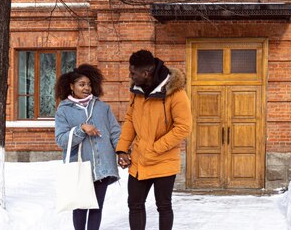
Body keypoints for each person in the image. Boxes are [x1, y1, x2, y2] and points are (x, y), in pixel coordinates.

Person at [116, 50, 192, 230]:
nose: (130, 76)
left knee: (163, 206)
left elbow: (183, 128)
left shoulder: (176, 93)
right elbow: (130, 121)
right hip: (140, 161)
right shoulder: (136, 91)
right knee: (134, 204)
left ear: (146, 73)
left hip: (164, 160)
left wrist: (155, 148)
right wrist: (122, 149)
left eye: (133, 73)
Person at [55, 64, 121, 230]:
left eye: (89, 84)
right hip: (79, 167)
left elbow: (115, 132)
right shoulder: (63, 110)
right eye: (82, 84)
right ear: (71, 86)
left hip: (102, 166)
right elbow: (61, 140)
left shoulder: (102, 107)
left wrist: (122, 152)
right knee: (80, 207)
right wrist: (81, 128)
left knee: (96, 207)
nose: (87, 88)